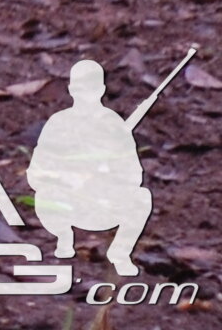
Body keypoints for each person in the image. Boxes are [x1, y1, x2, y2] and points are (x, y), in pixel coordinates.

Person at [28, 57, 160, 274]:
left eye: (91, 88)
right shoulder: (58, 123)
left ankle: (120, 253)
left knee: (142, 197)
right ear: (71, 89)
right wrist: (68, 178)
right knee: (45, 195)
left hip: (103, 202)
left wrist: (107, 174)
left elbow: (134, 174)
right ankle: (63, 239)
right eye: (80, 88)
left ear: (101, 89)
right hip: (67, 201)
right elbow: (36, 172)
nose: (85, 95)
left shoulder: (115, 125)